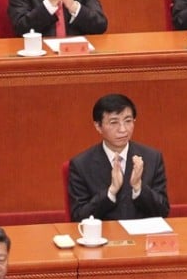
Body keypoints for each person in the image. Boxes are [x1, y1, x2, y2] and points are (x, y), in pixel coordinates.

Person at [68, 93, 169, 221]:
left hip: (141, 232)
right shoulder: (81, 165)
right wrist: (111, 192)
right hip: (104, 233)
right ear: (98, 126)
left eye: (128, 121)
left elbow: (163, 211)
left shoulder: (152, 158)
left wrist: (138, 188)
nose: (123, 129)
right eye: (114, 122)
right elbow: (78, 217)